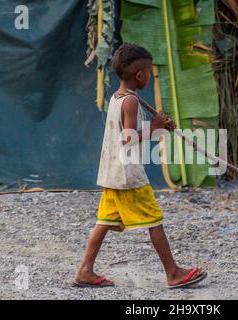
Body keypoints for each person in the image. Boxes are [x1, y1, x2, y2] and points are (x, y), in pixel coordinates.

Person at [73, 43, 207, 289]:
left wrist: (157, 124)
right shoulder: (131, 102)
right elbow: (129, 137)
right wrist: (155, 126)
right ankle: (173, 273)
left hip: (112, 173)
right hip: (127, 174)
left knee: (104, 221)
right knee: (154, 220)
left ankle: (85, 270)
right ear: (139, 75)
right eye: (149, 71)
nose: (150, 76)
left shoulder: (118, 97)